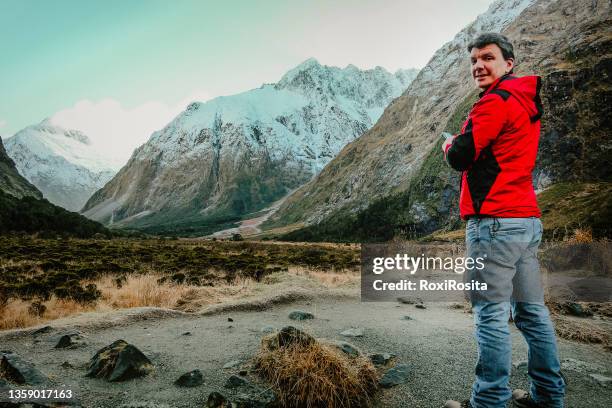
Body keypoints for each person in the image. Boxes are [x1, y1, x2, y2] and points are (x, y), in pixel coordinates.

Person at [441, 33, 565, 408]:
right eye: (474, 60)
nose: (479, 65)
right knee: (531, 312)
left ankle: (489, 400)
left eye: (488, 58)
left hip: (494, 223)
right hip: (525, 220)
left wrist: (448, 142)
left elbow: (461, 156)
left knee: (490, 312)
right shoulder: (524, 100)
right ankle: (548, 396)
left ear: (508, 64)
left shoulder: (494, 102)